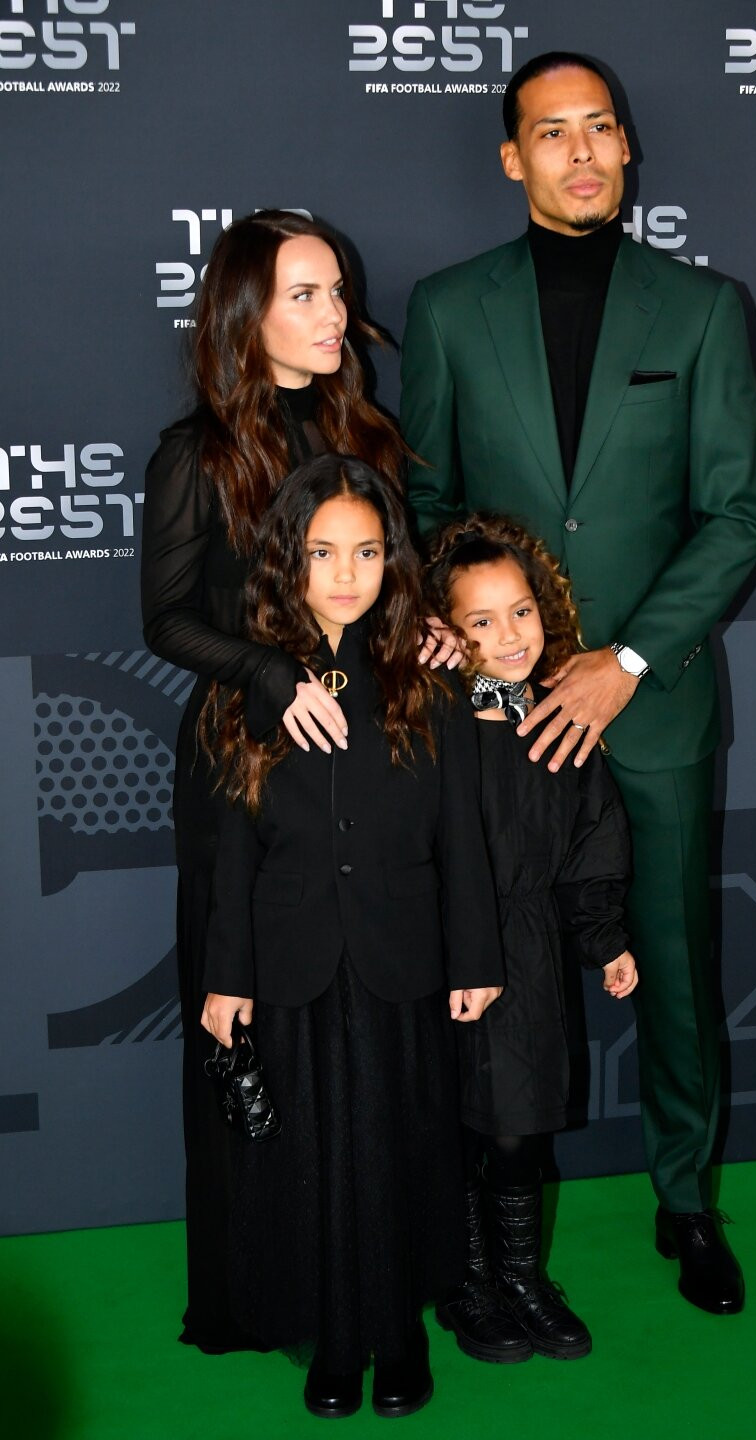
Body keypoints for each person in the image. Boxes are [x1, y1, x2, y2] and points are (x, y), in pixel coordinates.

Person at [400, 52, 756, 1316]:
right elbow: (429, 507)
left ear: (626, 147)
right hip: (496, 720)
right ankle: (480, 1224)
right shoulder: (449, 309)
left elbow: (736, 514)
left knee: (672, 962)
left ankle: (686, 1201)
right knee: (489, 962)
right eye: (551, 132)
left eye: (599, 127)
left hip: (651, 704)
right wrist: (478, 647)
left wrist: (624, 659)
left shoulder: (705, 309)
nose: (580, 152)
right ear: (513, 158)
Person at [141, 210, 410, 1352]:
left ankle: (372, 1275)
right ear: (247, 314)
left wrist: (425, 631)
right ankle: (260, 1291)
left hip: (368, 760)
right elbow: (164, 619)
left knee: (364, 1031)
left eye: (338, 291)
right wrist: (267, 672)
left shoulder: (368, 432)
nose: (335, 313)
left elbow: (393, 587)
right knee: (244, 1025)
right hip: (245, 765)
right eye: (305, 294)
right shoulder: (197, 453)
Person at [200, 455, 504, 1418]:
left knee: (404, 1149)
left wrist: (475, 956)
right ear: (287, 558)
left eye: (367, 552)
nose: (345, 573)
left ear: (391, 559)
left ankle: (400, 1336)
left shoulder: (427, 676)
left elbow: (462, 831)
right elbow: (229, 850)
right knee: (312, 1162)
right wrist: (227, 976)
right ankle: (335, 1342)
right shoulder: (250, 682)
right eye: (323, 552)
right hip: (291, 961)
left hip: (401, 955)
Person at [423, 514, 637, 1365]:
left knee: (520, 1131)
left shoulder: (562, 722)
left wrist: (604, 937)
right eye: (481, 621)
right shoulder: (431, 726)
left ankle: (521, 1278)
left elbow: (594, 842)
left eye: (521, 611)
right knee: (456, 1128)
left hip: (531, 957)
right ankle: (465, 1278)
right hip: (445, 956)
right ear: (447, 632)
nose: (510, 635)